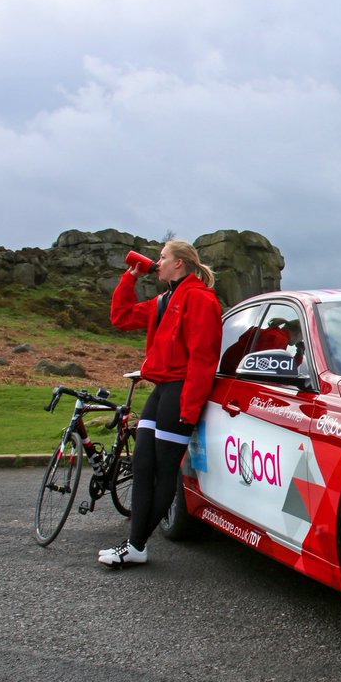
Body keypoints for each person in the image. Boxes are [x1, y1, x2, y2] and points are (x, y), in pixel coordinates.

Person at [99, 240, 222, 566]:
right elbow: (121, 317)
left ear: (179, 263)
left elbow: (203, 357)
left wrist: (189, 408)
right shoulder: (164, 300)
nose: (157, 262)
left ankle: (136, 545)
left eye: (162, 257)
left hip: (180, 392)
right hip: (161, 389)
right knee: (142, 465)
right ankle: (136, 546)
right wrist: (130, 277)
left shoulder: (199, 298)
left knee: (165, 469)